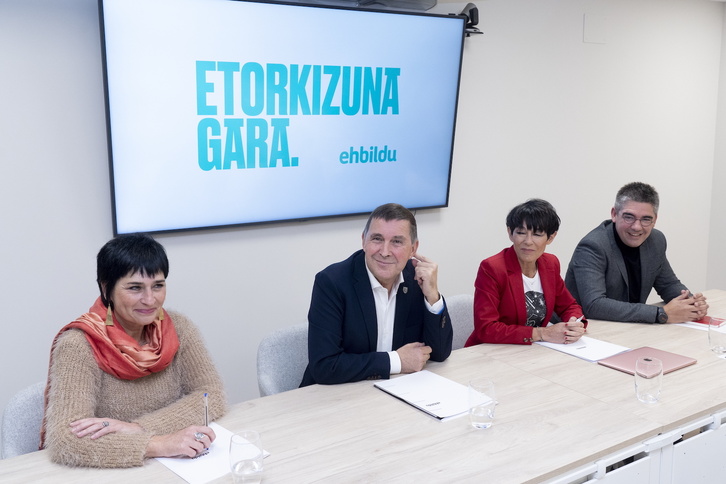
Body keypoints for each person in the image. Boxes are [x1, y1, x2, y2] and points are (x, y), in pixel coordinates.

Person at [41, 233, 227, 468]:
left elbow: (211, 395)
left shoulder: (179, 327)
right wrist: (158, 444)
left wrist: (139, 428)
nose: (150, 300)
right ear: (106, 289)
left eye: (158, 286)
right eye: (135, 288)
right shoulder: (78, 345)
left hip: (178, 463)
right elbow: (65, 441)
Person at [300, 203, 453, 386]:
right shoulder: (332, 282)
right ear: (363, 241)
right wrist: (396, 361)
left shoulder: (416, 279)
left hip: (396, 389)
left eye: (397, 242)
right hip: (334, 393)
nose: (385, 252)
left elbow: (439, 353)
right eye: (377, 239)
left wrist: (432, 296)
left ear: (413, 248)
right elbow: (325, 367)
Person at [565, 182, 708, 324]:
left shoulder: (656, 240)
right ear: (614, 214)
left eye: (646, 219)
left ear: (655, 220)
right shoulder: (593, 246)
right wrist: (660, 314)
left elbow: (668, 284)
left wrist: (691, 303)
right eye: (629, 217)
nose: (636, 227)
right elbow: (594, 305)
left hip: (631, 326)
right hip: (586, 329)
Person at [465, 199, 586, 346]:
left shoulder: (550, 264)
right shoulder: (492, 268)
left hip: (532, 350)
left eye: (537, 234)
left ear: (551, 237)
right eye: (521, 233)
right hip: (490, 350)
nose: (528, 241)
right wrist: (542, 333)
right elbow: (486, 329)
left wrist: (573, 324)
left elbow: (568, 306)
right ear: (510, 233)